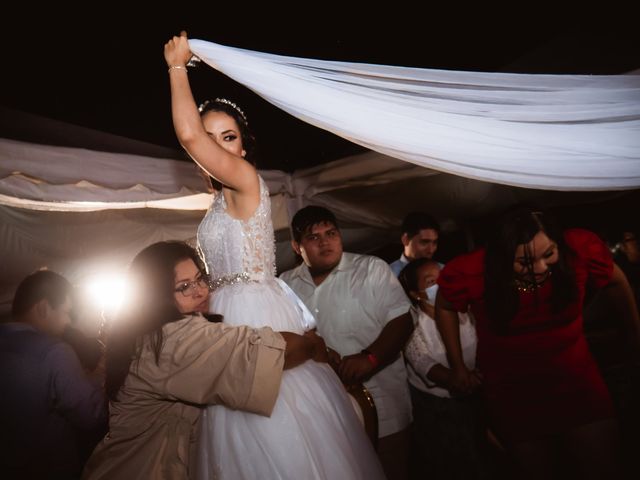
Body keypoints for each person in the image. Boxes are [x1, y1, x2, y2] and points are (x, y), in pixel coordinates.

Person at [164, 32, 385, 480]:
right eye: (211, 139)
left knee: (284, 433)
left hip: (257, 314)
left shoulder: (247, 183)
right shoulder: (216, 204)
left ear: (243, 148)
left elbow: (187, 133)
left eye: (228, 138)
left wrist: (176, 67)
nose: (217, 146)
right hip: (222, 320)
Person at [82, 241, 331, 479]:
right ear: (156, 297)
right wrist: (312, 344)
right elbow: (270, 352)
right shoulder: (172, 341)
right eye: (184, 287)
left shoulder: (143, 334)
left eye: (200, 278)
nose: (200, 291)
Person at [435, 205, 640, 479]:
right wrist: (457, 365)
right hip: (513, 394)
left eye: (549, 254)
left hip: (576, 382)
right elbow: (445, 305)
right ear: (502, 257)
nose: (542, 267)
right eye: (526, 262)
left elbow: (617, 282)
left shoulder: (579, 250)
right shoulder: (474, 270)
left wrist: (635, 334)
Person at [280, 205, 414, 480]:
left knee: (390, 470)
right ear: (296, 246)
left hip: (382, 400)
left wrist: (371, 358)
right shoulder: (286, 284)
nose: (325, 242)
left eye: (330, 233)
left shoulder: (370, 269)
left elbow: (402, 321)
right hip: (325, 409)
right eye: (313, 237)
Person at [0, 270, 108, 480]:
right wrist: (99, 375)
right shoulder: (54, 351)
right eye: (67, 312)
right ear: (43, 308)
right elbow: (92, 415)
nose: (68, 321)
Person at [398, 258, 484, 480]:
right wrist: (458, 378)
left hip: (476, 397)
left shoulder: (465, 312)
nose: (440, 284)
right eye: (431, 281)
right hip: (436, 408)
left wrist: (477, 377)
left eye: (442, 277)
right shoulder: (413, 324)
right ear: (417, 294)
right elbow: (422, 362)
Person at [389, 211, 441, 277]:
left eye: (434, 242)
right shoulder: (388, 274)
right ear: (405, 239)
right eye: (424, 242)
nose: (431, 250)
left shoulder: (445, 271)